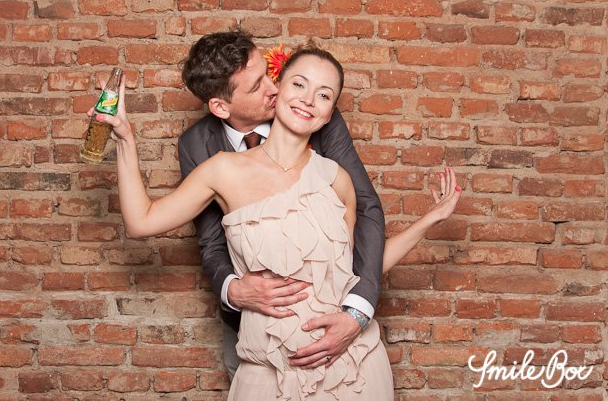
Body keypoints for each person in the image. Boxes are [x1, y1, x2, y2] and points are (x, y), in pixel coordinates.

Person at [90, 43, 462, 399]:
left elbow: (358, 267)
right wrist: (125, 138)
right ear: (278, 89)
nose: (308, 99)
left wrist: (429, 220)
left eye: (323, 95)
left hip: (353, 367)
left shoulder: (337, 180)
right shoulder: (223, 170)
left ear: (329, 112)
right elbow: (141, 221)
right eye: (299, 85)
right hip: (268, 369)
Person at [178, 32, 385, 379]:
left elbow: (365, 211)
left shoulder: (308, 113)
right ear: (221, 107)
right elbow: (210, 239)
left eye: (270, 76)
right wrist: (234, 290)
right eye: (257, 84)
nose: (274, 88)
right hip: (253, 322)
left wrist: (357, 310)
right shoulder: (196, 144)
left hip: (329, 316)